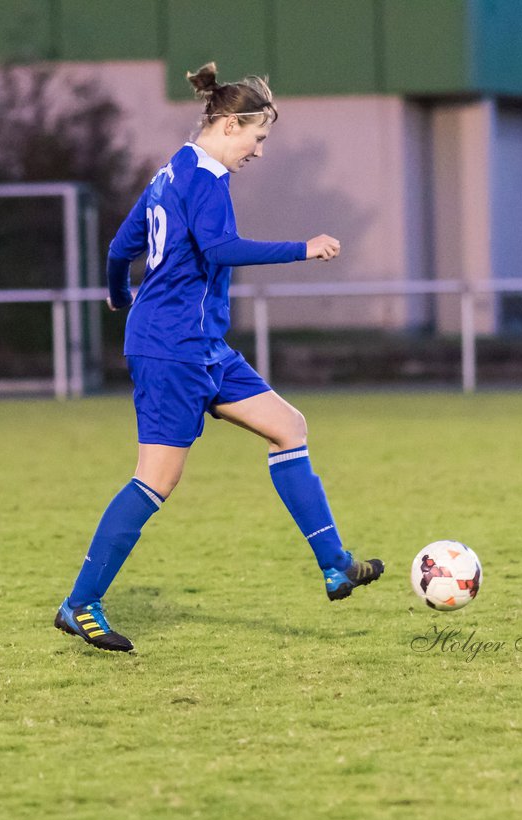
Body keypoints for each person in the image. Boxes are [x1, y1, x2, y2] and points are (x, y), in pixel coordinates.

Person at [54, 62, 383, 652]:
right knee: (156, 480)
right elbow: (220, 247)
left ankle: (336, 565)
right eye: (257, 138)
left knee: (288, 427)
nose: (258, 152)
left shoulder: (170, 174)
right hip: (172, 351)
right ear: (230, 124)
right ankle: (79, 604)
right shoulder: (203, 179)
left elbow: (119, 248)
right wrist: (302, 249)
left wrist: (118, 294)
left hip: (202, 346)